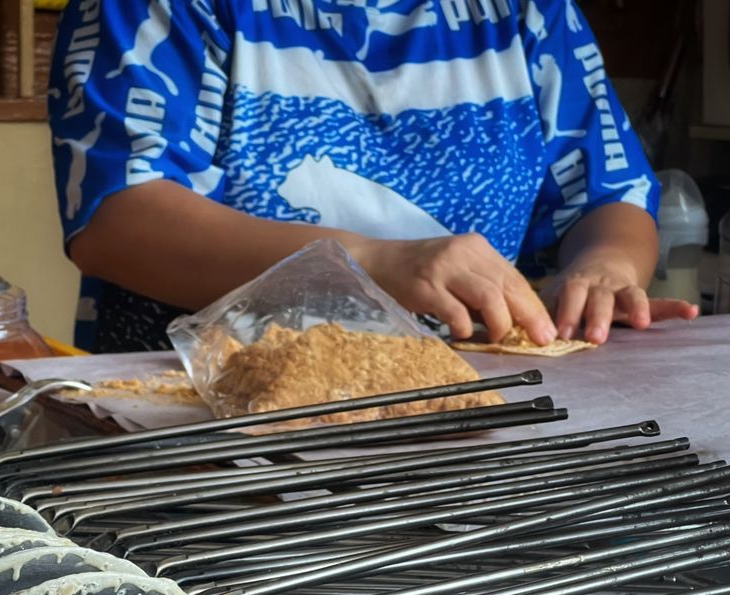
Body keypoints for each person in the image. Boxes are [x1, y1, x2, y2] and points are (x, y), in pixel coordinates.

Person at [48, 0, 697, 354]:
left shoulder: (525, 14)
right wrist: (370, 264)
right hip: (209, 427)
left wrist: (605, 269)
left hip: (475, 413)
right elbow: (118, 219)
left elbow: (608, 197)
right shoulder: (163, 8)